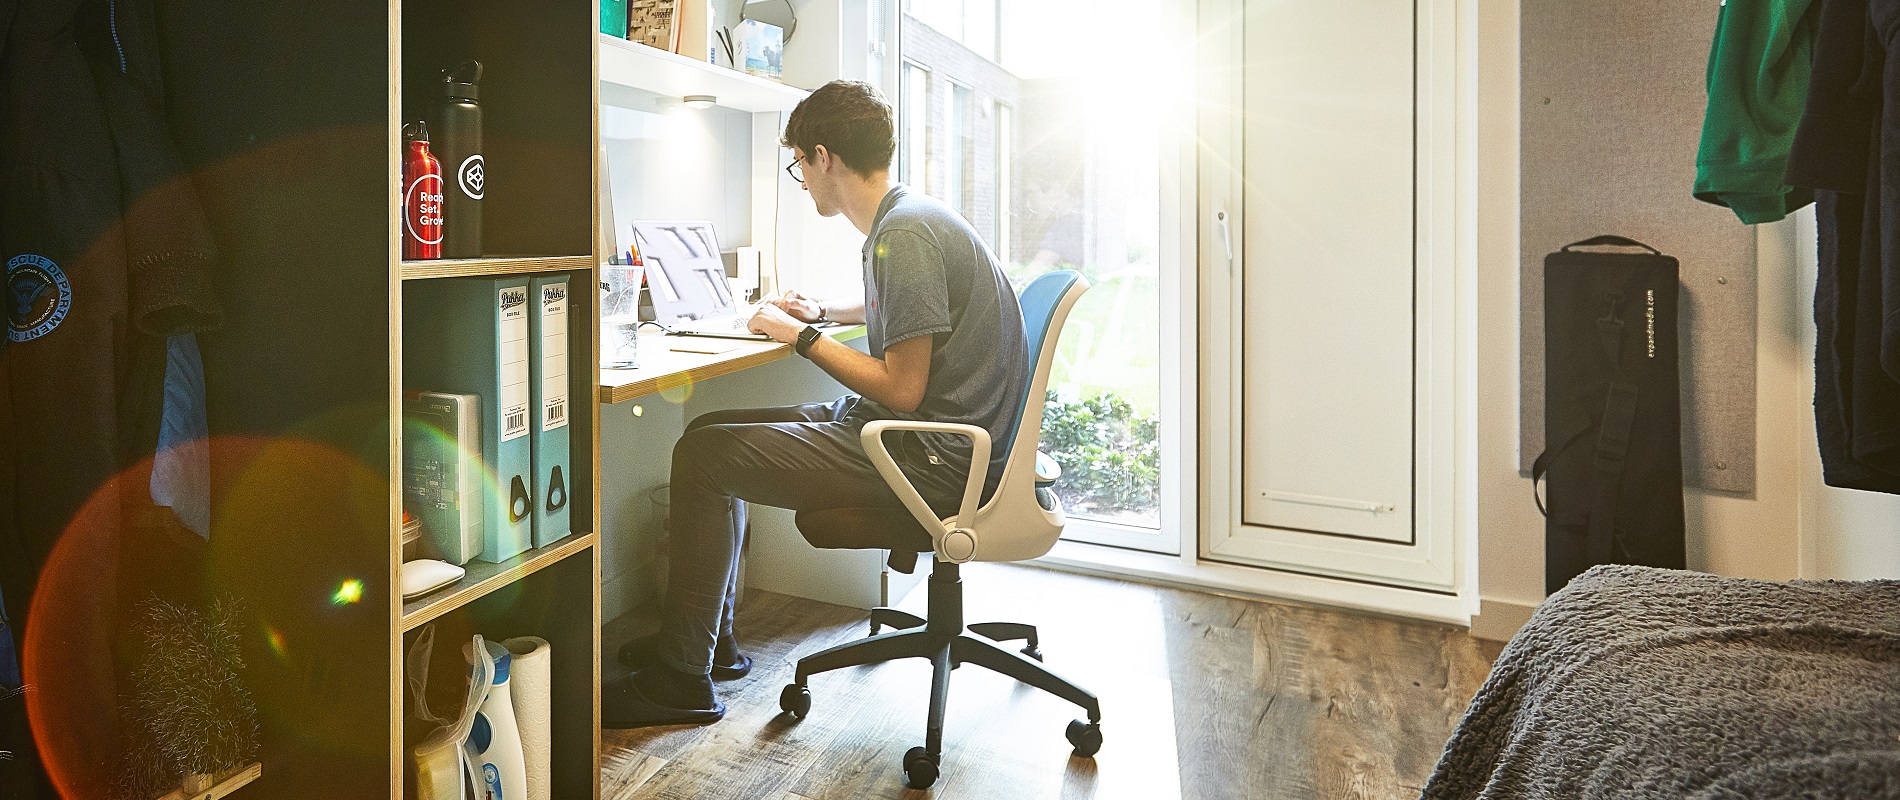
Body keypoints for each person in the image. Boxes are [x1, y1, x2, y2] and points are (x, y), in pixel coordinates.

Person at [603, 80, 1031, 727]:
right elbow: (918, 316)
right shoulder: (909, 217)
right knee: (710, 427)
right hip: (932, 442)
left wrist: (798, 335)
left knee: (702, 457)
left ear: (823, 156)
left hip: (927, 458)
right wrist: (824, 311)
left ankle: (683, 679)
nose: (800, 179)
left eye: (798, 163)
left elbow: (902, 387)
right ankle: (705, 643)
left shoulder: (903, 234)